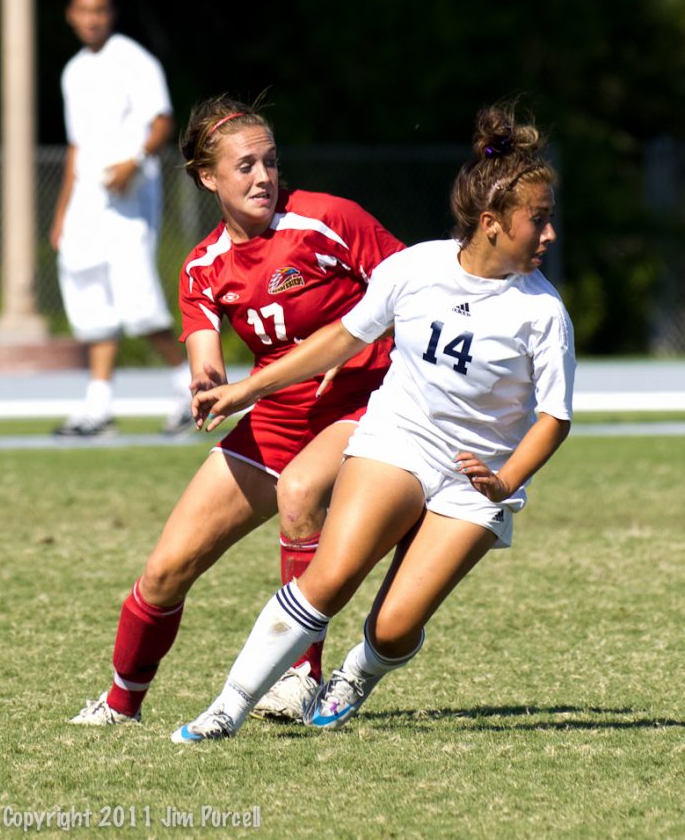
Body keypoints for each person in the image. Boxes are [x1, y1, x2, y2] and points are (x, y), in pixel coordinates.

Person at [169, 102, 577, 743]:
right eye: (540, 221)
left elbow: (554, 418)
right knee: (328, 578)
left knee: (393, 627)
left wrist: (504, 480)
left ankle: (358, 672)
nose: (550, 236)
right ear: (492, 223)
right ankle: (228, 706)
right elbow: (336, 340)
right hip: (400, 439)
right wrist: (246, 388)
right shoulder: (414, 268)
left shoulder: (544, 315)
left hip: (478, 479)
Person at [69, 94, 405, 726]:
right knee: (166, 569)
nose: (263, 177)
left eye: (271, 162)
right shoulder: (202, 266)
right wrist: (207, 385)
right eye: (245, 166)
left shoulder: (329, 220)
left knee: (301, 495)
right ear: (207, 177)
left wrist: (373, 340)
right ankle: (121, 705)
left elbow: (416, 286)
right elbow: (206, 356)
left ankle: (301, 678)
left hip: (365, 405)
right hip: (277, 420)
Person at [50, 0, 192, 437]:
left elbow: (163, 121)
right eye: (83, 11)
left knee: (139, 305)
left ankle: (192, 389)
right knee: (92, 303)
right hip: (86, 202)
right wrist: (61, 214)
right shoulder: (73, 71)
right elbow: (77, 147)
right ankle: (98, 408)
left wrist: (135, 160)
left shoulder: (134, 60)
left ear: (110, 14)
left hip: (129, 199)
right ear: (72, 15)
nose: (92, 19)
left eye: (100, 10)